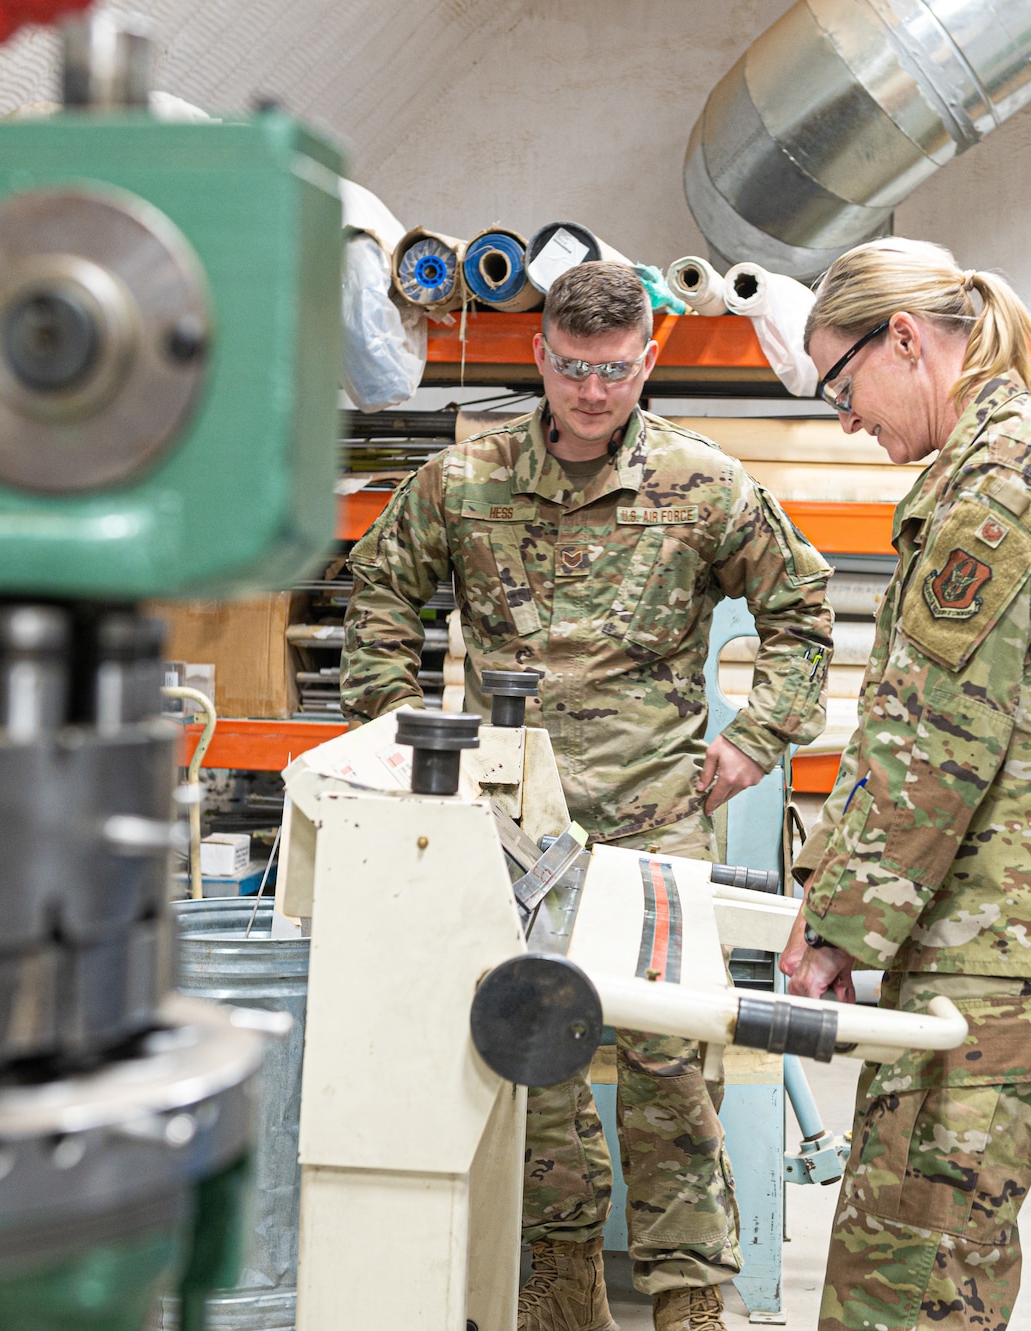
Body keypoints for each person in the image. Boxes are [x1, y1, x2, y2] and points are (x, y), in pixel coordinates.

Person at [340, 261, 835, 1331]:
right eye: (571, 367)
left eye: (614, 371)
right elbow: (378, 589)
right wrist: (404, 736)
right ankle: (558, 1277)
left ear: (646, 361)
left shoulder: (702, 483)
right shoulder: (465, 482)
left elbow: (799, 605)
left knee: (669, 1056)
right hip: (511, 825)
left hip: (656, 817)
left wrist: (757, 735)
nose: (592, 391)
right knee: (534, 1050)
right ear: (540, 356)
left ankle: (688, 1288)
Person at [776, 238, 1031, 1331]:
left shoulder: (1002, 482)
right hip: (998, 929)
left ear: (901, 340)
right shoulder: (996, 467)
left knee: (907, 1275)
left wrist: (840, 925)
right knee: (917, 1252)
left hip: (1018, 942)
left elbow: (938, 732)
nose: (845, 419)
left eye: (839, 385)